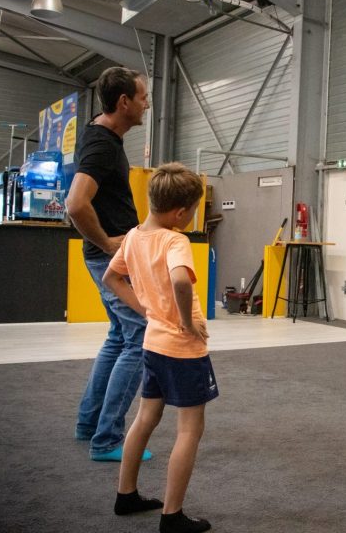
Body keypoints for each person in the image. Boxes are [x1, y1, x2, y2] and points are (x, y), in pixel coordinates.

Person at [103, 163, 215, 533]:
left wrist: (147, 310)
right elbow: (181, 281)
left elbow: (112, 278)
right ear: (180, 213)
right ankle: (173, 516)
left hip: (153, 344)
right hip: (183, 348)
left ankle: (126, 494)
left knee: (145, 418)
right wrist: (186, 322)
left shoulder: (134, 236)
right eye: (195, 210)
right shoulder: (175, 239)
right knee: (189, 430)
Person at [66, 66, 152, 461]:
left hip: (109, 256)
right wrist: (107, 243)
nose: (147, 103)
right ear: (124, 102)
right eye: (143, 97)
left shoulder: (103, 134)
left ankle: (89, 425)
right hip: (110, 258)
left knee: (120, 335)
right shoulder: (102, 144)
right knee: (140, 336)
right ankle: (108, 440)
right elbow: (75, 204)